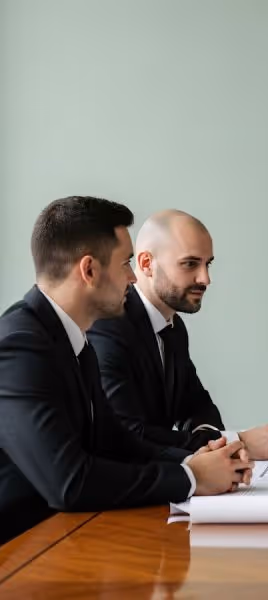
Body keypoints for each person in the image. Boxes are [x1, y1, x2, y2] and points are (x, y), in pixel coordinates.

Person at [0, 196, 252, 545]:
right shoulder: (20, 345)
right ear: (89, 270)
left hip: (64, 536)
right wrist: (190, 478)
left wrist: (199, 459)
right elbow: (69, 483)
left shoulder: (74, 340)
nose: (133, 278)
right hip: (19, 552)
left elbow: (116, 443)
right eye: (125, 263)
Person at [89, 210, 268, 459]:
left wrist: (210, 439)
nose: (205, 278)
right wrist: (236, 444)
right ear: (146, 264)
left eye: (208, 264)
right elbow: (129, 434)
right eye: (190, 264)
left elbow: (196, 405)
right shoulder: (108, 327)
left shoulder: (172, 327)